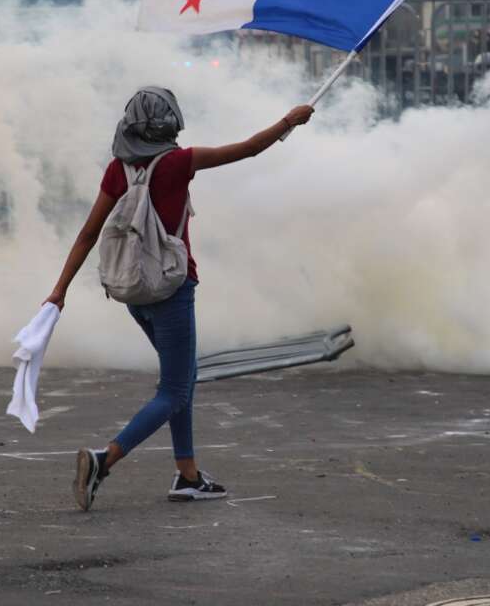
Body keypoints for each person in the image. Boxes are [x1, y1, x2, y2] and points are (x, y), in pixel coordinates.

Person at [45, 86, 313, 510]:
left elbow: (87, 234)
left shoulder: (118, 169)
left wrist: (58, 291)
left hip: (135, 292)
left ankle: (187, 475)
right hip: (172, 290)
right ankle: (104, 459)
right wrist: (289, 122)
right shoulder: (178, 162)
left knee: (182, 380)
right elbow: (247, 149)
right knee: (175, 388)